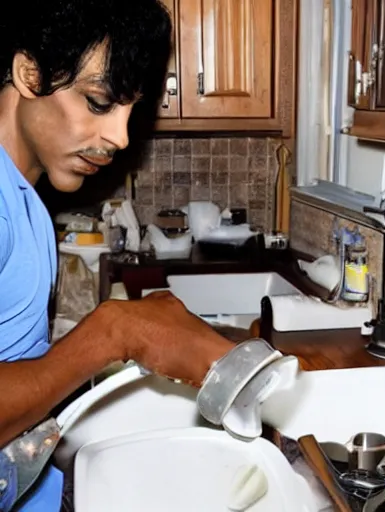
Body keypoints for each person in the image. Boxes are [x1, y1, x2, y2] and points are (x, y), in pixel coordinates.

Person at [0, 1, 235, 510]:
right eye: (100, 101)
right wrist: (114, 332)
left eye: (132, 110)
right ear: (28, 74)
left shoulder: (24, 198)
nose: (121, 137)